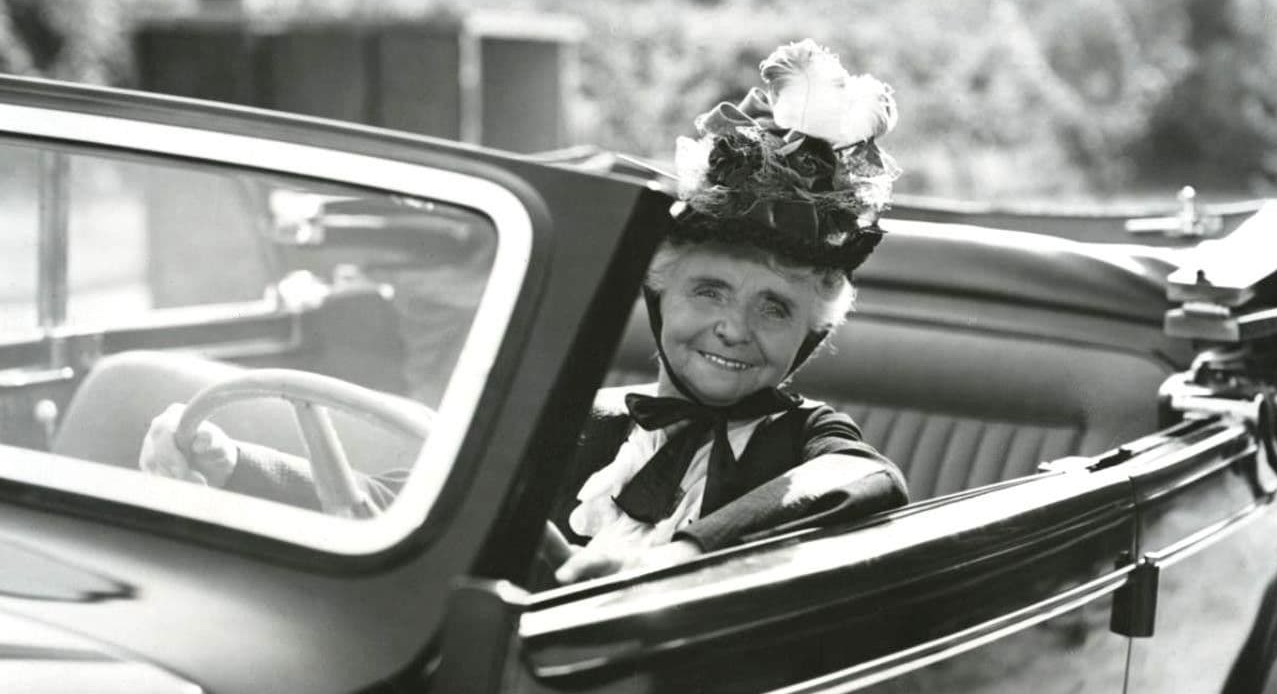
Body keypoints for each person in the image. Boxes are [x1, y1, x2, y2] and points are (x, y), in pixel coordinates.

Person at [139, 38, 910, 585]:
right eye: (708, 291)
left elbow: (864, 480)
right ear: (658, 293)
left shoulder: (806, 437)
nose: (734, 327)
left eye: (775, 308)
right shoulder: (593, 420)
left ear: (813, 329)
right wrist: (239, 465)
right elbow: (401, 503)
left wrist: (682, 554)